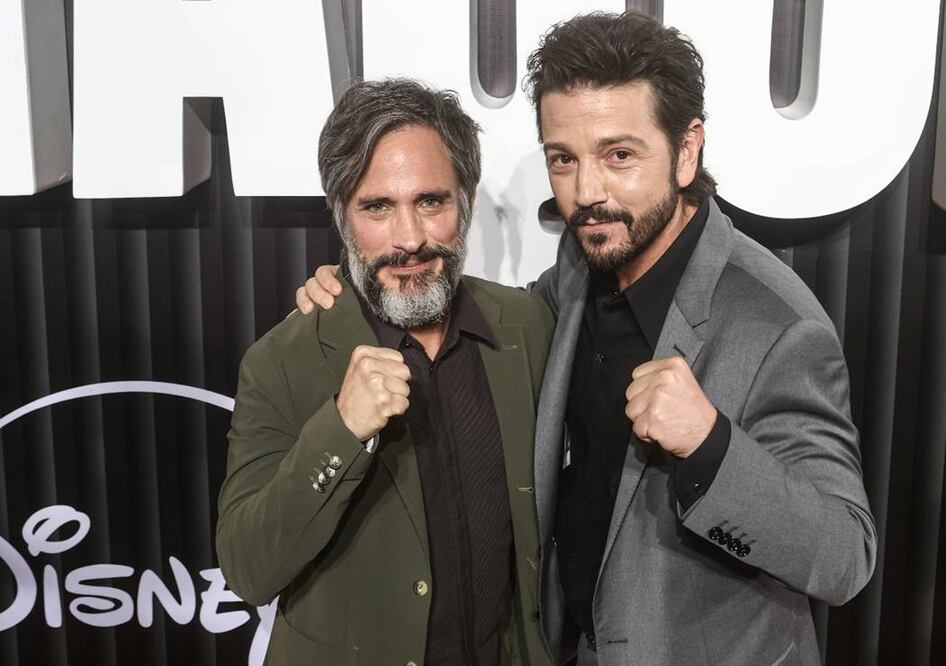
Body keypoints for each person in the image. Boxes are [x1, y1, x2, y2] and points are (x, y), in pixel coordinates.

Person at [296, 11, 876, 665]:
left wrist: (710, 445)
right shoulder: (582, 263)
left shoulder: (776, 325)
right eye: (563, 160)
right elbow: (492, 311)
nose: (587, 192)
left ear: (687, 150)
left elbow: (844, 558)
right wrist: (360, 282)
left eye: (619, 155)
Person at [217, 78, 554, 666]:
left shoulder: (526, 325)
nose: (410, 239)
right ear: (340, 215)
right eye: (377, 207)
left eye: (431, 202)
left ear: (467, 200)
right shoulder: (283, 360)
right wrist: (340, 429)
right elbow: (247, 570)